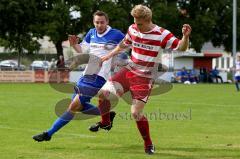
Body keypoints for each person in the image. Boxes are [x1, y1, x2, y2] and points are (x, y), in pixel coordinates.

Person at [89, 4, 191, 154]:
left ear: (148, 19)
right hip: (129, 71)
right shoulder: (133, 29)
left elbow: (181, 48)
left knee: (135, 113)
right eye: (135, 21)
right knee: (103, 94)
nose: (136, 25)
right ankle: (106, 122)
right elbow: (123, 45)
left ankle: (148, 144)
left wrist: (186, 36)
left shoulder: (162, 34)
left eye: (139, 23)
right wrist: (107, 56)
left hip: (145, 78)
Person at [32, 10, 125, 142]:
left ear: (107, 22)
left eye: (102, 22)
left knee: (72, 107)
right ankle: (106, 115)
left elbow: (128, 44)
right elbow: (81, 50)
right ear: (94, 22)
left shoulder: (116, 34)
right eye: (97, 22)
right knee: (79, 106)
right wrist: (74, 44)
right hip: (85, 74)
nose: (99, 25)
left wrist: (118, 60)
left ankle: (48, 134)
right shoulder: (91, 33)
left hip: (97, 78)